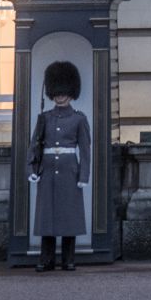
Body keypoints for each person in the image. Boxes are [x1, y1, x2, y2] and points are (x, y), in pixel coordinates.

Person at [29, 60, 91, 272]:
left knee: (68, 216)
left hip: (69, 173)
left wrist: (84, 176)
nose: (60, 95)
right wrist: (32, 170)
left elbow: (85, 150)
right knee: (47, 217)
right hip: (47, 173)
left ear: (71, 93)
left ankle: (68, 258)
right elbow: (34, 145)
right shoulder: (45, 118)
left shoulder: (78, 119)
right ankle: (46, 259)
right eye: (56, 91)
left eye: (63, 91)